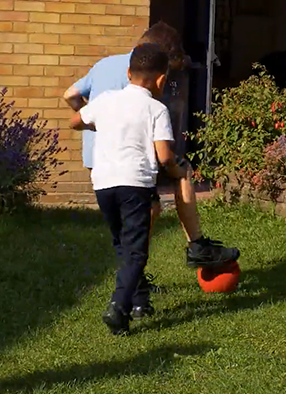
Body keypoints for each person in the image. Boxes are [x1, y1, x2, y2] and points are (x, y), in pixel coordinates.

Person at [64, 21, 240, 319]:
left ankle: (138, 289)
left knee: (138, 225)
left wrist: (95, 122)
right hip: (129, 161)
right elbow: (159, 148)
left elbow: (70, 94)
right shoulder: (144, 80)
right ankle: (193, 247)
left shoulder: (108, 63)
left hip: (100, 159)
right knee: (179, 174)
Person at [70, 43, 187, 335]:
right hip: (134, 185)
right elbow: (164, 156)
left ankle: (138, 303)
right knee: (136, 252)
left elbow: (75, 121)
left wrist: (103, 125)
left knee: (122, 245)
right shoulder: (157, 109)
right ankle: (118, 306)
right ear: (161, 79)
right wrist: (178, 170)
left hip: (104, 184)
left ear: (128, 72)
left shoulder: (106, 101)